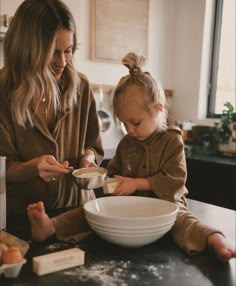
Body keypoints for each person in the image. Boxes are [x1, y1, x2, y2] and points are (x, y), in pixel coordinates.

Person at [27, 52, 236, 262]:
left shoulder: (172, 140)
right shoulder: (127, 143)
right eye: (124, 124)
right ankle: (49, 227)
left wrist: (137, 183)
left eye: (135, 123)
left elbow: (175, 181)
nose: (129, 130)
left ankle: (215, 239)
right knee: (89, 212)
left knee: (184, 221)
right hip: (129, 207)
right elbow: (114, 173)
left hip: (165, 208)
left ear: (158, 109)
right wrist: (103, 180)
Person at [0, 0, 103, 217]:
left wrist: (89, 159)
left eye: (68, 51)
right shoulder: (3, 91)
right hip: (22, 221)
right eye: (52, 52)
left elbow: (93, 146)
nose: (62, 62)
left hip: (77, 215)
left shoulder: (81, 87)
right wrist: (32, 168)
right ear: (28, 49)